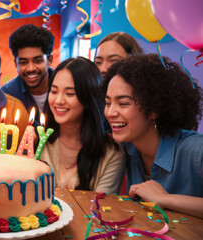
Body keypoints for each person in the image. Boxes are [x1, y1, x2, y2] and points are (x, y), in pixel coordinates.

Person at [102, 54, 203, 218]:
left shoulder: (197, 151)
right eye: (107, 103)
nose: (110, 112)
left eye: (123, 103)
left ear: (155, 108)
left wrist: (165, 199)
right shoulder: (125, 149)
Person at [40, 57, 125, 194]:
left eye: (70, 93)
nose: (59, 100)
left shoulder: (111, 152)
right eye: (54, 91)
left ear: (87, 99)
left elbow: (101, 208)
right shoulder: (39, 143)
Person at [1, 24, 54, 120]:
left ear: (49, 60)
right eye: (23, 62)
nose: (30, 68)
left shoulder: (68, 87)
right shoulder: (7, 95)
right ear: (16, 64)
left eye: (37, 61)